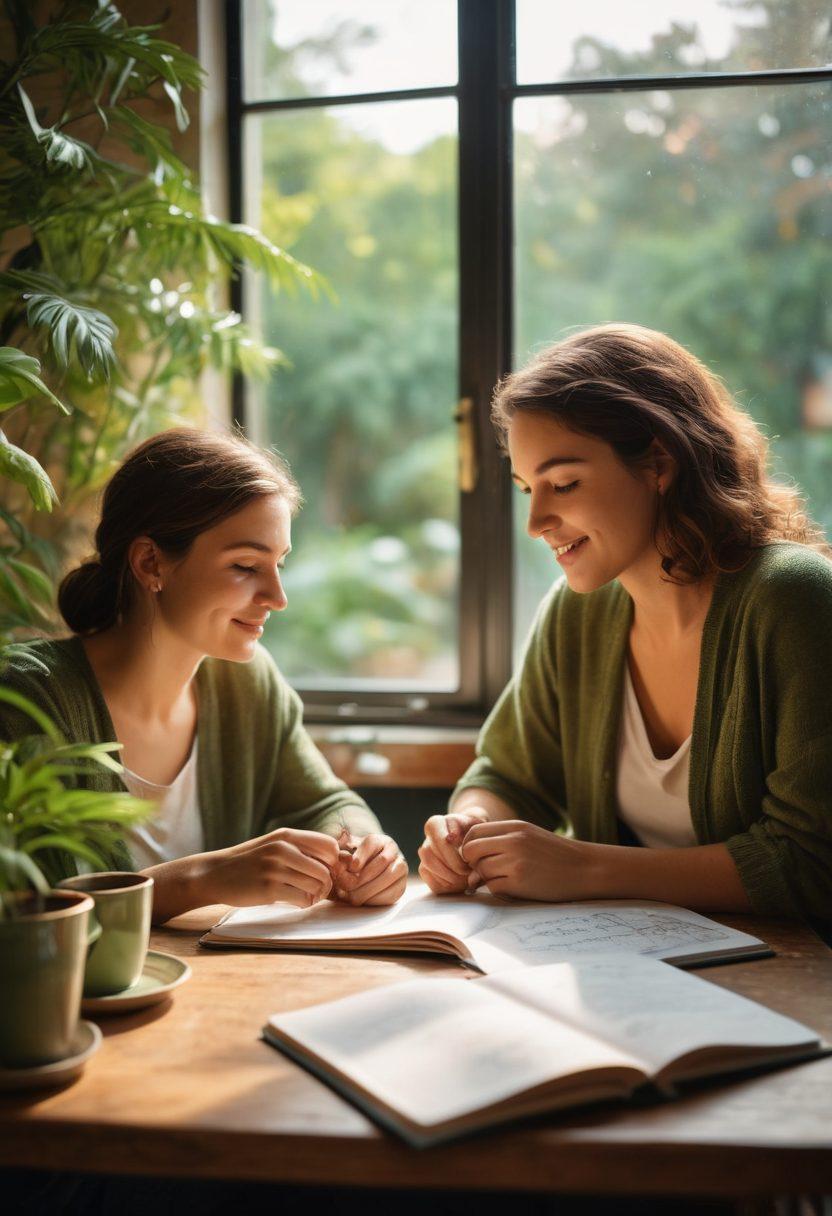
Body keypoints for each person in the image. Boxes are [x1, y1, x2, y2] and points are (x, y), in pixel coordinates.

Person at [419, 323, 832, 922]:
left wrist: (583, 868)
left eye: (563, 483)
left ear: (659, 462)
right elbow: (510, 774)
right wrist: (472, 826)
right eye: (526, 488)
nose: (536, 520)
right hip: (631, 972)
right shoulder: (575, 612)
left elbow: (808, 863)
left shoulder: (791, 601)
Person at [0, 427, 407, 921]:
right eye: (245, 565)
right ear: (151, 563)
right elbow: (29, 910)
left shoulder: (247, 684)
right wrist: (201, 880)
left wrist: (363, 847)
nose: (277, 597)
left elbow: (324, 801)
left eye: (279, 563)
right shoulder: (29, 699)